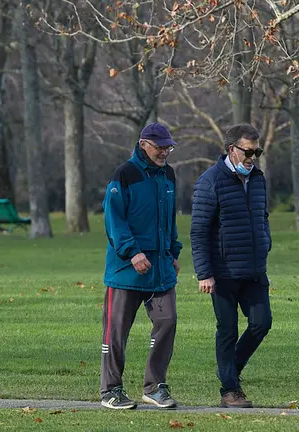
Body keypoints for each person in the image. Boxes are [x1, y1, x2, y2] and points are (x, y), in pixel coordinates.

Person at [99, 122, 183, 410]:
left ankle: (154, 386)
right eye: (160, 147)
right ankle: (111, 390)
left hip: (160, 270)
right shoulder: (124, 174)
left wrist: (173, 252)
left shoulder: (168, 175)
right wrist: (132, 252)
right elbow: (114, 219)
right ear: (144, 144)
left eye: (168, 148)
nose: (165, 153)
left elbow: (169, 220)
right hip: (126, 272)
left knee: (167, 321)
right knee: (116, 332)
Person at [190, 124, 272, 409]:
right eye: (248, 152)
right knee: (227, 330)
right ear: (232, 149)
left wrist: (265, 243)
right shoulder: (210, 181)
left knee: (262, 323)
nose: (252, 157)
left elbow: (263, 216)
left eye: (256, 152)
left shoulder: (258, 179)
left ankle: (229, 371)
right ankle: (230, 390)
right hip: (223, 273)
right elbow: (199, 231)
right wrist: (205, 273)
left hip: (253, 271)